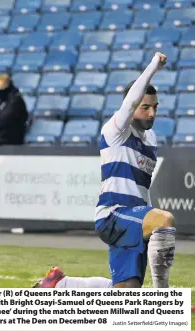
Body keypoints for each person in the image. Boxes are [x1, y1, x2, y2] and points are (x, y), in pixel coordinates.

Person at [35, 53, 181, 290]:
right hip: (114, 215)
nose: (152, 113)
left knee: (125, 294)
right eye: (145, 107)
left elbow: (143, 189)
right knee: (165, 220)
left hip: (135, 216)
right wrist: (154, 67)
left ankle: (60, 284)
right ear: (132, 106)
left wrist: (148, 215)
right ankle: (161, 295)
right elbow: (131, 100)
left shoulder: (151, 139)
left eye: (155, 107)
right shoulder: (116, 130)